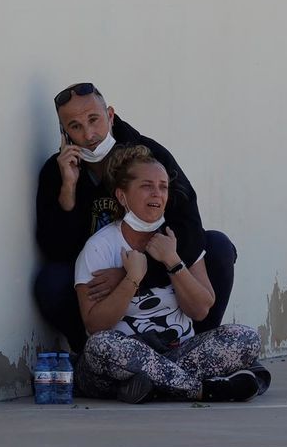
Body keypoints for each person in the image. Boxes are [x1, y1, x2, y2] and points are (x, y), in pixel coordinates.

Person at [33, 83, 238, 354]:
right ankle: (90, 354)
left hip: (156, 268)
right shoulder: (56, 171)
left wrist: (136, 273)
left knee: (218, 247)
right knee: (51, 281)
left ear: (110, 115)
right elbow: (56, 251)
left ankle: (199, 349)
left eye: (94, 119)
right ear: (64, 132)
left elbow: (188, 223)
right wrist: (68, 193)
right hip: (99, 284)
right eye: (75, 126)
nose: (89, 134)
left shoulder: (150, 157)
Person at [73, 144, 263, 403]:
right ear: (122, 195)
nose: (157, 193)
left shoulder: (180, 240)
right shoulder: (99, 247)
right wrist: (132, 279)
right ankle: (201, 389)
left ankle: (154, 386)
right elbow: (95, 326)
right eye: (146, 186)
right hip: (125, 358)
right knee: (99, 347)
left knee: (246, 338)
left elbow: (201, 310)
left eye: (163, 186)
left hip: (176, 352)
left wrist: (173, 261)